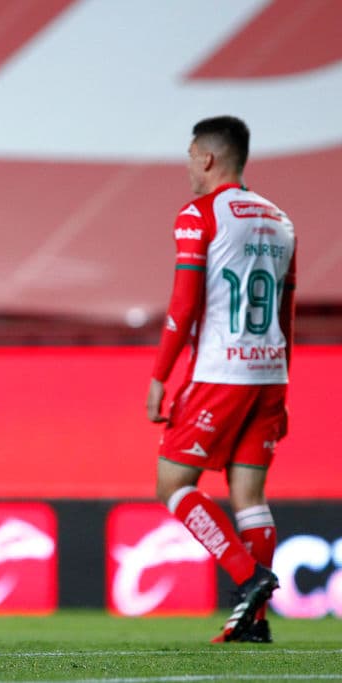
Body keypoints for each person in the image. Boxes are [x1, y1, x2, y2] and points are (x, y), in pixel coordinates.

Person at [147, 116, 294, 644]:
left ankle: (248, 577)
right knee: (249, 496)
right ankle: (252, 622)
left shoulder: (199, 214)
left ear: (207, 158)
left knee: (172, 485)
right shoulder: (281, 220)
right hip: (270, 371)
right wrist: (283, 382)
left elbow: (184, 303)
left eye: (190, 154)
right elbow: (286, 312)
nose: (188, 164)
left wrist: (161, 375)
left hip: (220, 372)